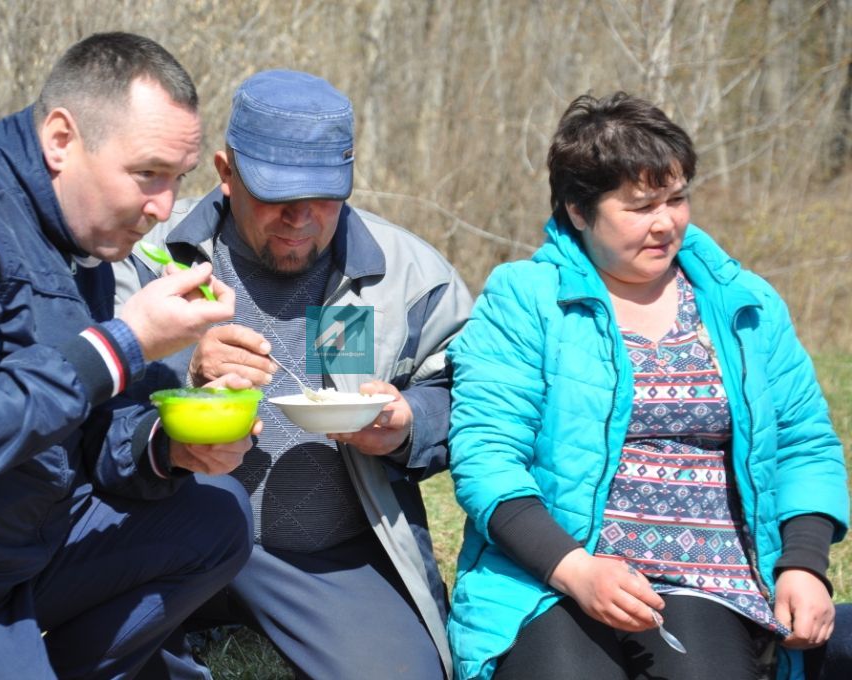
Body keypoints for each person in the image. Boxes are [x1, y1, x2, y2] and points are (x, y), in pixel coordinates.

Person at [0, 32, 262, 678]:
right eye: (148, 174)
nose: (163, 208)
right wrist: (125, 343)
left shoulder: (74, 234)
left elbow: (80, 430)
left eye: (177, 180)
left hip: (8, 559)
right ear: (62, 139)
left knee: (215, 518)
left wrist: (164, 447)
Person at [445, 91, 851, 680]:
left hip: (711, 578)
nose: (666, 223)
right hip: (552, 575)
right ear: (579, 212)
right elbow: (486, 456)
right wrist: (575, 569)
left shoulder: (747, 304)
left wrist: (804, 566)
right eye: (639, 207)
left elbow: (804, 443)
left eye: (677, 199)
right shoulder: (524, 298)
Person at [114, 69, 474, 679]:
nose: (301, 218)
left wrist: (410, 424)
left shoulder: (403, 275)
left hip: (327, 555)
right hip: (166, 534)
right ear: (226, 175)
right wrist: (184, 370)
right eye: (276, 196)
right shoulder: (148, 255)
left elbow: (471, 391)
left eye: (324, 196)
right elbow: (82, 394)